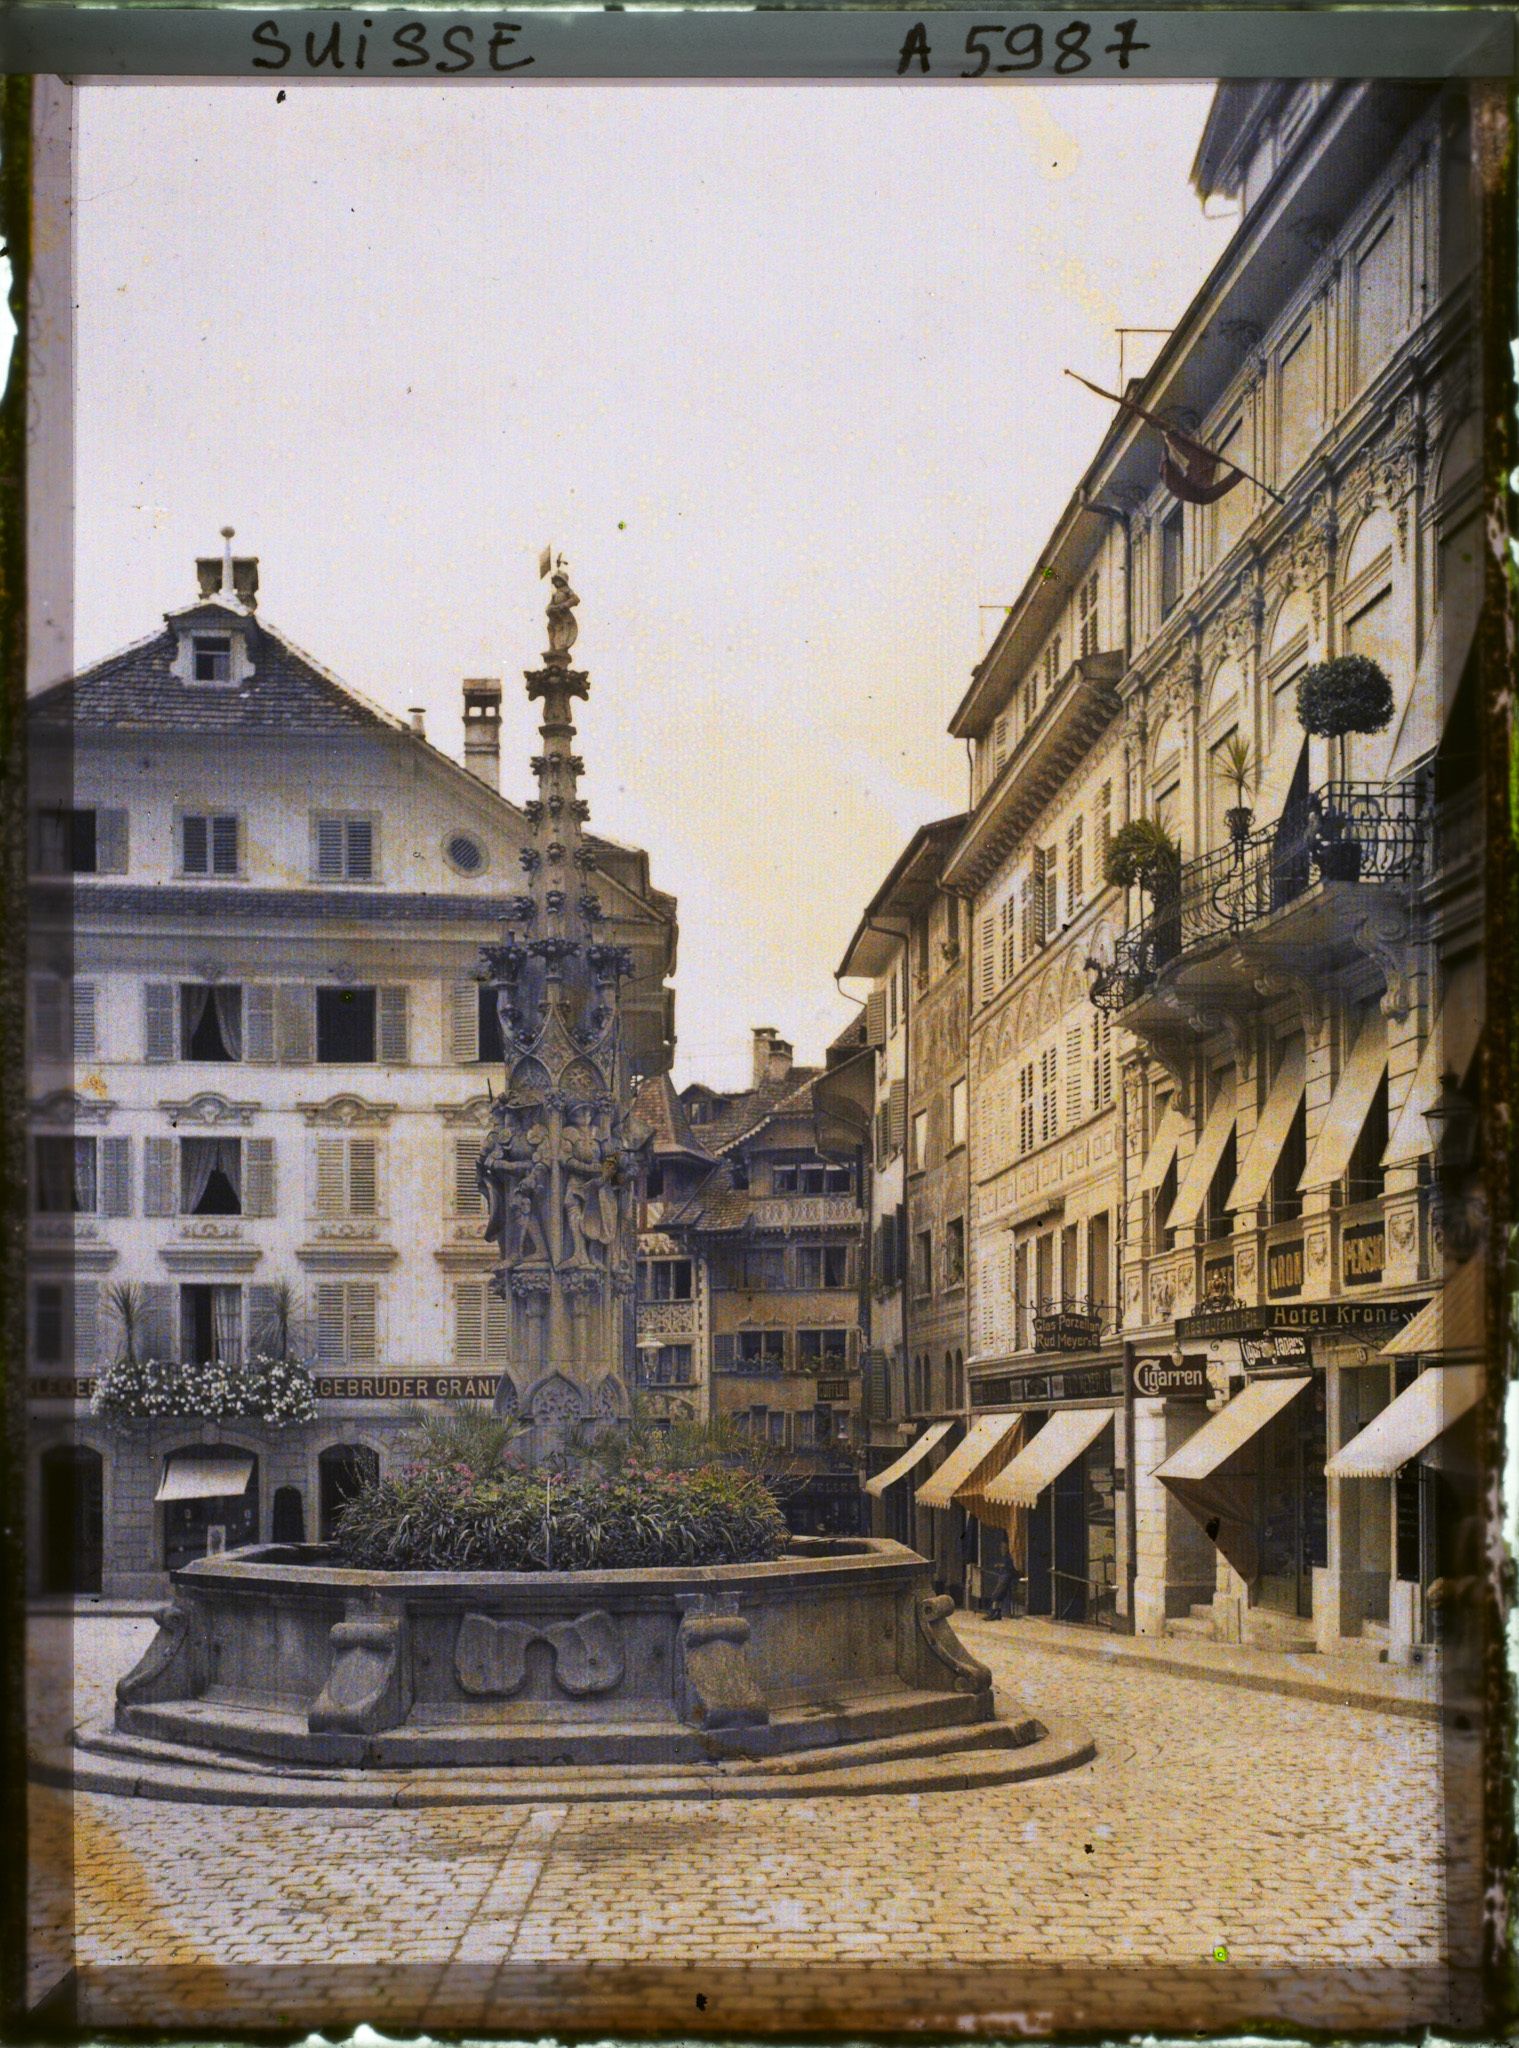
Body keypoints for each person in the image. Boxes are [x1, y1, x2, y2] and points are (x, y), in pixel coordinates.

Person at [986, 1552, 1023, 1622]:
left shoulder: (1010, 1559)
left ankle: (994, 1612)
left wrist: (1001, 1566)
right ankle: (997, 1613)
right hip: (1005, 1577)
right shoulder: (1006, 1559)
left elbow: (1010, 1567)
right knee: (998, 1596)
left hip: (1006, 1577)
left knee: (996, 1596)